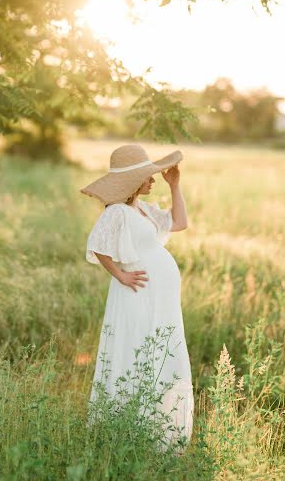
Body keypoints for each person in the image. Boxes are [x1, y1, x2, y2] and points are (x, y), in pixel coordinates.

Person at [80, 144, 194, 449]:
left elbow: (180, 223)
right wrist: (119, 274)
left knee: (158, 348)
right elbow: (99, 246)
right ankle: (126, 426)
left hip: (160, 299)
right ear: (133, 181)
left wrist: (175, 186)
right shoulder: (116, 211)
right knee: (136, 347)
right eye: (148, 176)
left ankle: (154, 427)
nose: (153, 179)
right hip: (136, 293)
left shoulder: (141, 210)